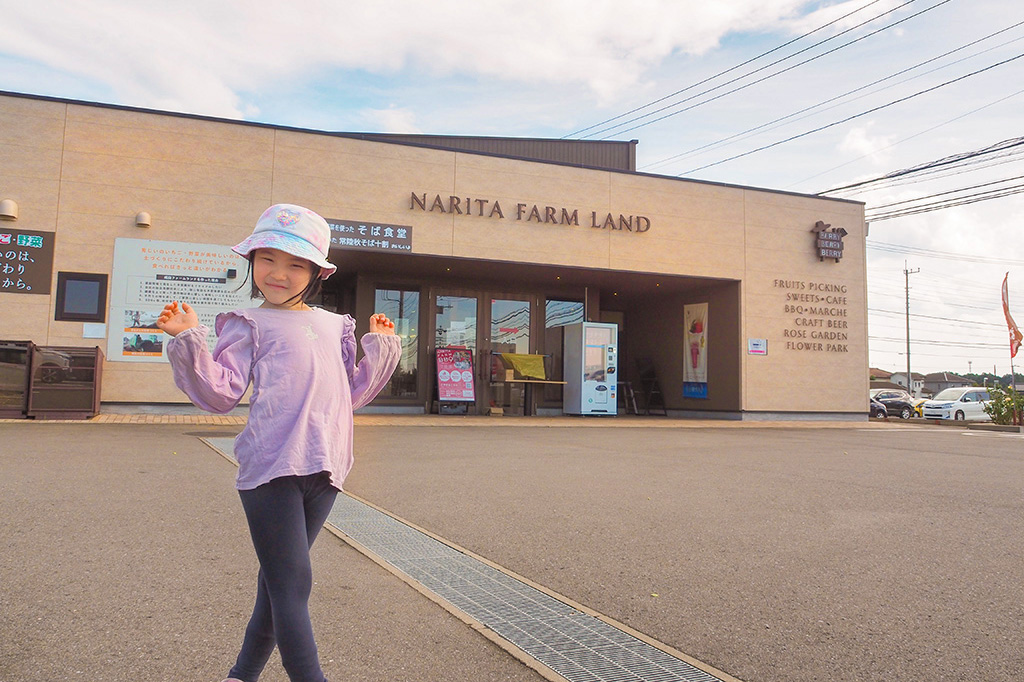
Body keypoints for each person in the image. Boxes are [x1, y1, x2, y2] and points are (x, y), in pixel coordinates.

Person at [156, 204, 401, 682]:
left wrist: (380, 348)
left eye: (295, 264)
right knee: (292, 584)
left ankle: (241, 675)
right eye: (267, 259)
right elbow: (220, 394)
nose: (279, 273)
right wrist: (188, 341)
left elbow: (351, 394)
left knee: (277, 585)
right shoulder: (246, 322)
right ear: (252, 261)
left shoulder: (336, 325)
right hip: (271, 469)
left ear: (314, 272)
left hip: (326, 468)